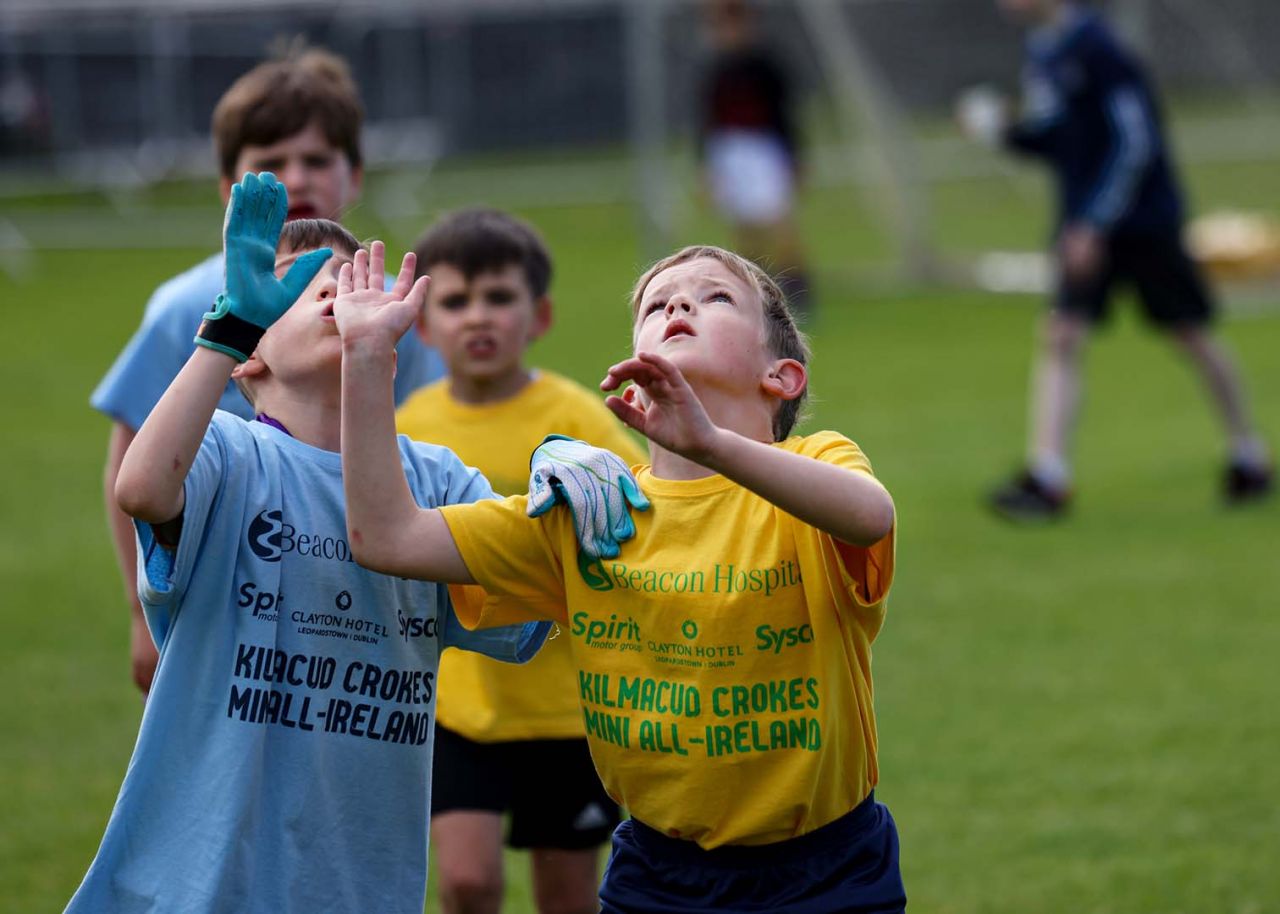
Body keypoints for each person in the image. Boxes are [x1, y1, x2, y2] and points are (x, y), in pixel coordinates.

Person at [66, 173, 634, 914]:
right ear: (251, 356)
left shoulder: (432, 478)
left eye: (350, 278)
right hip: (201, 884)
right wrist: (226, 329)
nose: (335, 292)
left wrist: (561, 486)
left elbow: (539, 595)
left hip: (358, 882)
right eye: (300, 287)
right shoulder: (230, 455)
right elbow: (141, 488)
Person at [338, 244, 906, 913]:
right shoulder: (592, 514)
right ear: (631, 380)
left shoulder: (820, 465)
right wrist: (367, 358)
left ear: (782, 376)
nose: (680, 305)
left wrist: (712, 446)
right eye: (657, 303)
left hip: (827, 870)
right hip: (658, 877)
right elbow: (386, 535)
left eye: (716, 297)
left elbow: (870, 516)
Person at [91, 45, 444, 696]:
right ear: (232, 190)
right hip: (224, 580)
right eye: (271, 164)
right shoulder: (185, 308)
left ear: (355, 175)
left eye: (315, 160)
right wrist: (141, 613)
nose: (297, 178)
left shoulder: (393, 309)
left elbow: (431, 432)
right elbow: (130, 464)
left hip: (358, 580)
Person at [395, 208, 645, 914]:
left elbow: (642, 524)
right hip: (457, 702)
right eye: (455, 301)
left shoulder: (581, 419)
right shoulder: (406, 425)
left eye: (499, 298)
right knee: (467, 883)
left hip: (568, 708)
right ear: (421, 323)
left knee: (568, 900)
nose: (479, 317)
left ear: (539, 315)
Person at [958, 0, 1272, 519]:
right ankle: (1048, 476)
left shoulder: (1100, 50)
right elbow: (1059, 139)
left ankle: (1248, 455)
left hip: (1142, 224)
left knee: (1190, 333)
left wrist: (1094, 223)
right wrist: (1001, 131)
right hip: (1086, 225)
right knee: (1062, 334)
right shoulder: (1044, 53)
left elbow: (1134, 142)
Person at [699, 0, 811, 315]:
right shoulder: (715, 69)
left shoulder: (766, 65)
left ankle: (799, 292)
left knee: (779, 222)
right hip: (730, 152)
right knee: (743, 226)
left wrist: (794, 157)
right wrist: (707, 165)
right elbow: (708, 121)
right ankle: (750, 293)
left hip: (763, 148)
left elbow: (784, 114)